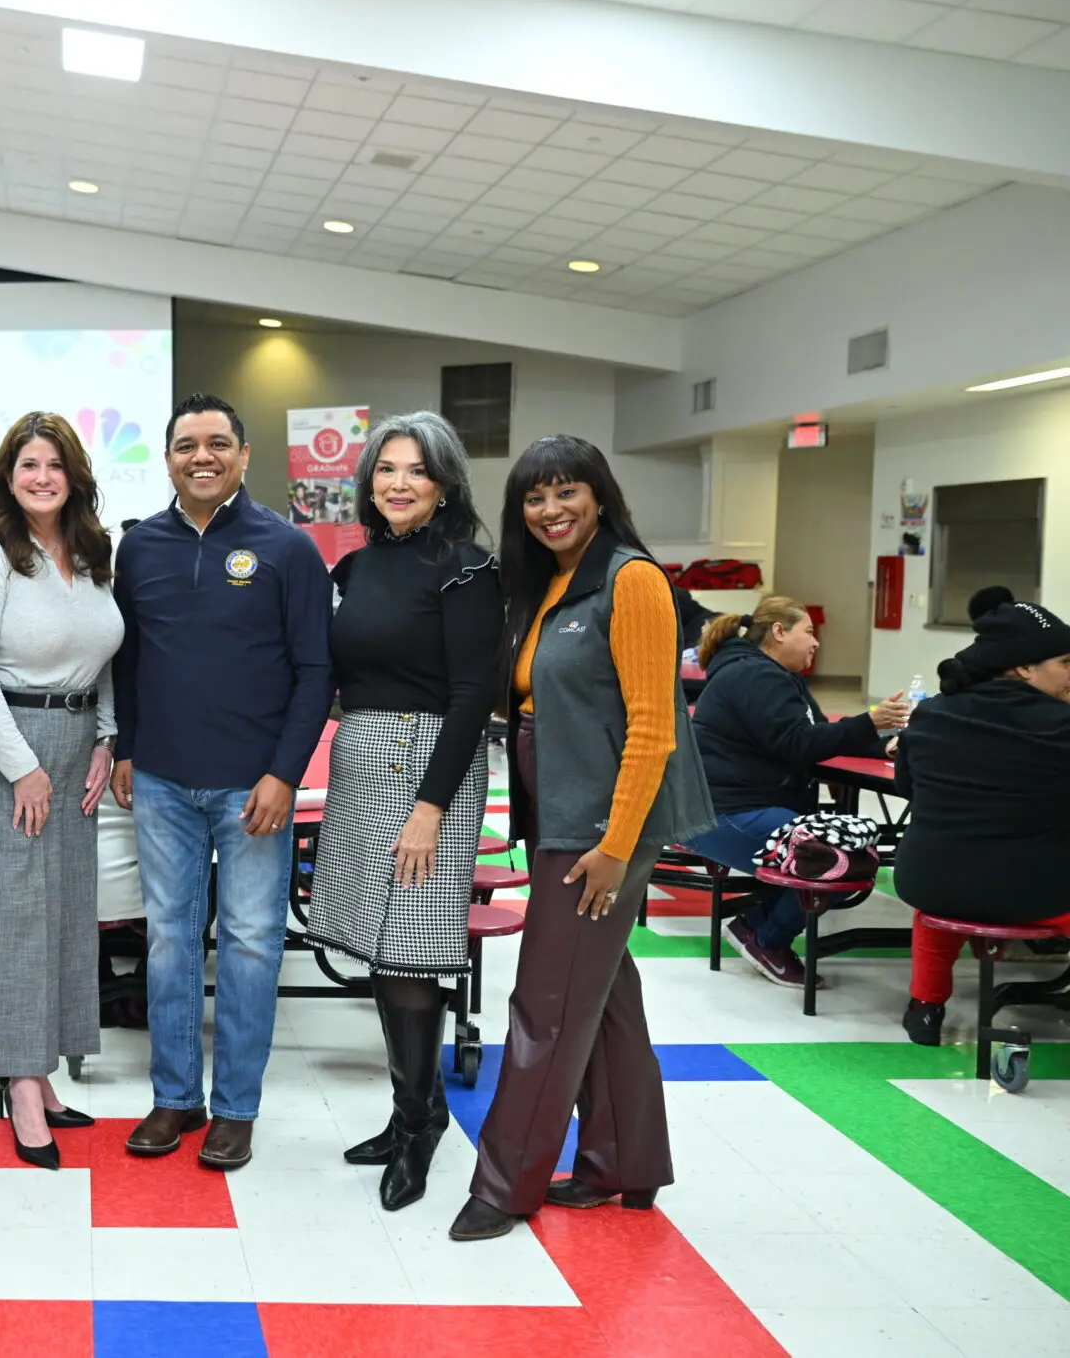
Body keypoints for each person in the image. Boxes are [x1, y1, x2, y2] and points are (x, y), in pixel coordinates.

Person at [450, 434, 714, 1243]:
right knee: (602, 992)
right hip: (558, 809)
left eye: (567, 491)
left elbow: (653, 730)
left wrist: (615, 845)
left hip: (600, 826)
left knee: (548, 1003)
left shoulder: (633, 580)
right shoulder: (550, 583)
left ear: (600, 495)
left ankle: (506, 1183)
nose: (550, 509)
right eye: (534, 497)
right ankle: (625, 1161)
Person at [110, 391, 334, 1172]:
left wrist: (284, 773)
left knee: (249, 942)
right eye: (186, 445)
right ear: (167, 458)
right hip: (163, 781)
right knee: (170, 940)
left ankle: (236, 1107)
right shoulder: (140, 548)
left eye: (216, 444)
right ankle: (176, 1096)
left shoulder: (287, 548)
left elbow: (316, 671)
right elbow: (130, 659)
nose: (200, 457)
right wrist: (128, 746)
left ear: (243, 455)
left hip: (253, 788)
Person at [304, 413, 500, 1211]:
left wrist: (430, 808)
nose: (399, 482)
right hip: (359, 762)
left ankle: (420, 1129)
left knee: (412, 954)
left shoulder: (467, 568)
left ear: (444, 483)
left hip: (429, 768)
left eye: (417, 470)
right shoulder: (354, 566)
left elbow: (474, 695)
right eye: (386, 468)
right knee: (381, 954)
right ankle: (411, 1110)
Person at [0, 412, 120, 1170]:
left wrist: (106, 737)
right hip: (7, 746)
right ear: (7, 477)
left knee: (65, 912)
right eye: (28, 465)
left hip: (78, 743)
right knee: (12, 916)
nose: (42, 477)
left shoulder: (90, 550)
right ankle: (18, 1082)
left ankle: (43, 1066)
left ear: (74, 475)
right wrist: (21, 764)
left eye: (55, 464)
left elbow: (106, 652)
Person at [689, 598, 907, 987]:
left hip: (744, 806)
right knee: (841, 859)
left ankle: (753, 925)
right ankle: (768, 940)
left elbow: (820, 735)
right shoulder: (755, 676)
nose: (815, 642)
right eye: (808, 631)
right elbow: (797, 744)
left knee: (841, 849)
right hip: (726, 814)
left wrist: (882, 744)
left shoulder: (775, 675)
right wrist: (870, 722)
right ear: (778, 632)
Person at [894, 587, 1070, 1047]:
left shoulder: (930, 713)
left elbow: (907, 789)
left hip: (927, 881)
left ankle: (925, 1007)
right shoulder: (1060, 724)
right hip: (1034, 893)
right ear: (1025, 667)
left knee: (950, 878)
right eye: (1066, 663)